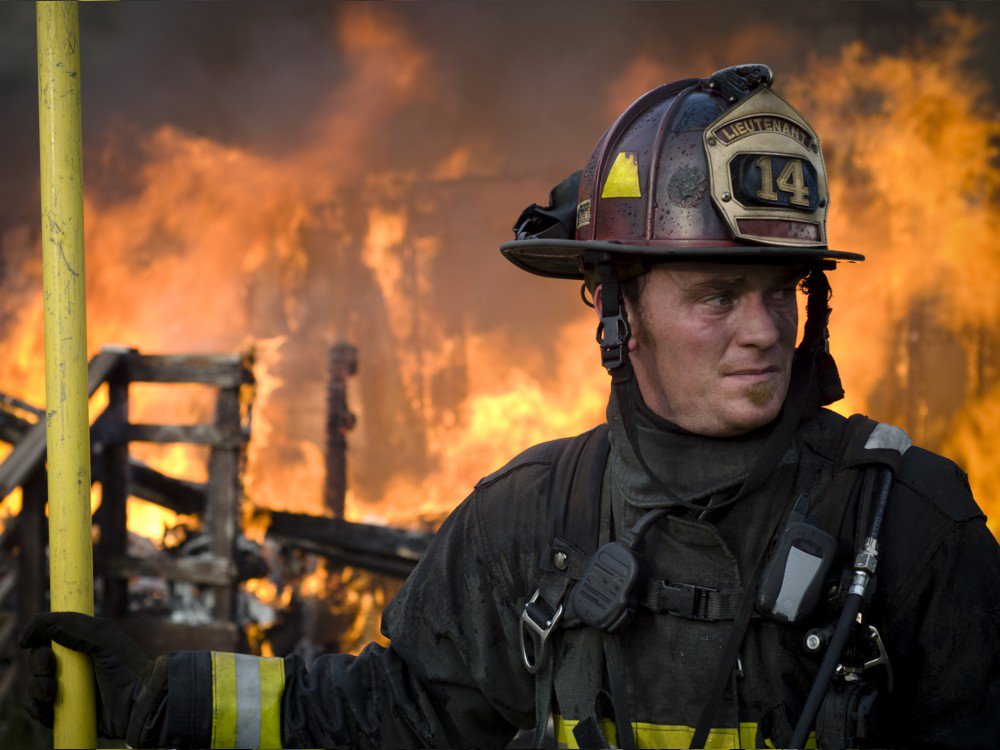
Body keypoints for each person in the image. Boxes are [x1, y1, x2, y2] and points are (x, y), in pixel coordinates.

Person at [20, 65, 1000, 749]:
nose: (761, 329)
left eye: (779, 290)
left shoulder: (906, 524)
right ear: (615, 309)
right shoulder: (528, 522)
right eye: (714, 296)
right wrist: (166, 695)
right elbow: (393, 715)